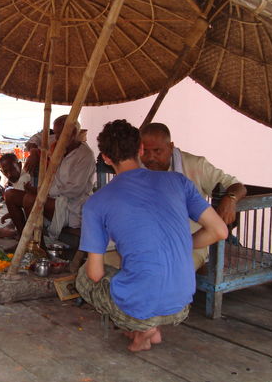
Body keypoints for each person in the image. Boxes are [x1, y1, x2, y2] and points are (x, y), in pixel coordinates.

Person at [76, 119, 228, 352]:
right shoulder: (178, 181)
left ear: (105, 158)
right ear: (140, 149)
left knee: (84, 277)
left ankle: (142, 327)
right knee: (133, 270)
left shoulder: (96, 203)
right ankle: (145, 329)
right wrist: (185, 244)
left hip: (141, 306)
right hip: (181, 305)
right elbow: (220, 231)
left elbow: (95, 274)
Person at [140, 123, 247, 270]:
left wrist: (231, 199)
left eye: (157, 151)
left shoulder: (195, 165)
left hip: (192, 244)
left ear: (171, 147)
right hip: (148, 242)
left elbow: (237, 186)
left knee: (168, 270)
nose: (151, 157)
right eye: (145, 151)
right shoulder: (136, 167)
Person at [4, 115, 96, 240]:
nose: (56, 137)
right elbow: (35, 139)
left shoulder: (85, 155)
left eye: (59, 133)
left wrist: (41, 192)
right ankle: (24, 240)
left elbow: (74, 190)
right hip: (51, 200)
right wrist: (34, 152)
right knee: (10, 194)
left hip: (70, 207)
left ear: (73, 132)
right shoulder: (59, 146)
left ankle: (38, 247)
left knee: (30, 199)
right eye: (56, 133)